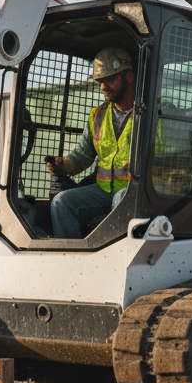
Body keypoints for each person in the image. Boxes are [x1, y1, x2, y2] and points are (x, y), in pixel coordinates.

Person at [46, 46, 135, 239]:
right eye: (100, 82)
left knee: (122, 199)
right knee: (62, 201)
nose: (103, 87)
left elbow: (163, 158)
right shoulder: (97, 115)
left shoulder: (148, 113)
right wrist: (63, 165)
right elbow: (82, 157)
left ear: (129, 77)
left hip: (134, 191)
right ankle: (69, 258)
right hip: (103, 190)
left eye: (110, 80)